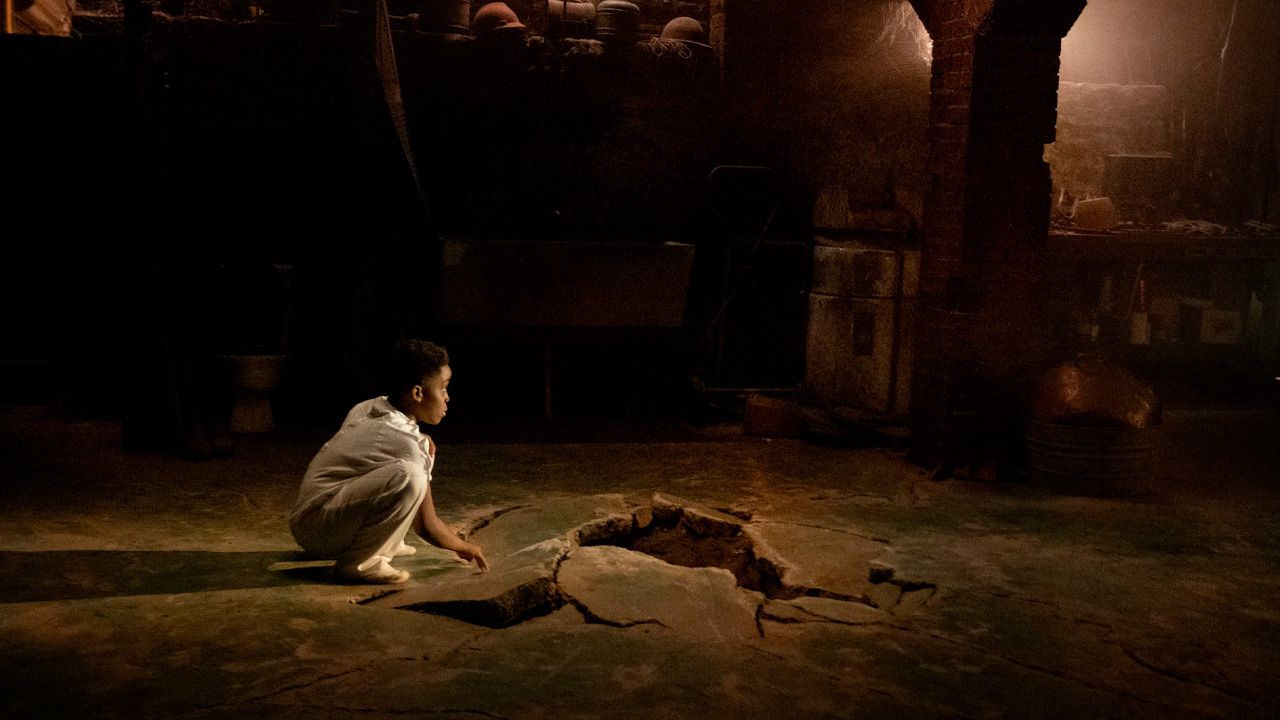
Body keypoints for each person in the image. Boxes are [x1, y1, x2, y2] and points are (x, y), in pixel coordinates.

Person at [288, 339, 488, 584]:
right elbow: (426, 524)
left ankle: (388, 542)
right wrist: (465, 547)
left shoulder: (371, 407)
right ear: (417, 393)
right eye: (443, 388)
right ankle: (361, 564)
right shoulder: (406, 440)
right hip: (321, 531)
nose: (447, 397)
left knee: (416, 459)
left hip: (310, 523)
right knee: (410, 475)